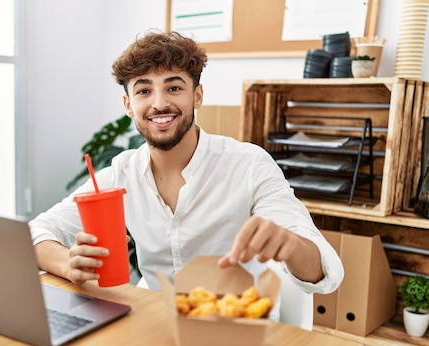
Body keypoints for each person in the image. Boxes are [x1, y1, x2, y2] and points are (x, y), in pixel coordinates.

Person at [29, 30, 343, 315]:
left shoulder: (249, 165)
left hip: (236, 329)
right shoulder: (121, 172)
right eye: (143, 91)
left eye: (174, 87)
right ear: (128, 104)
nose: (159, 103)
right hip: (155, 329)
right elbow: (37, 231)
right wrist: (67, 264)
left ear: (197, 96)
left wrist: (290, 243)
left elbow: (327, 276)